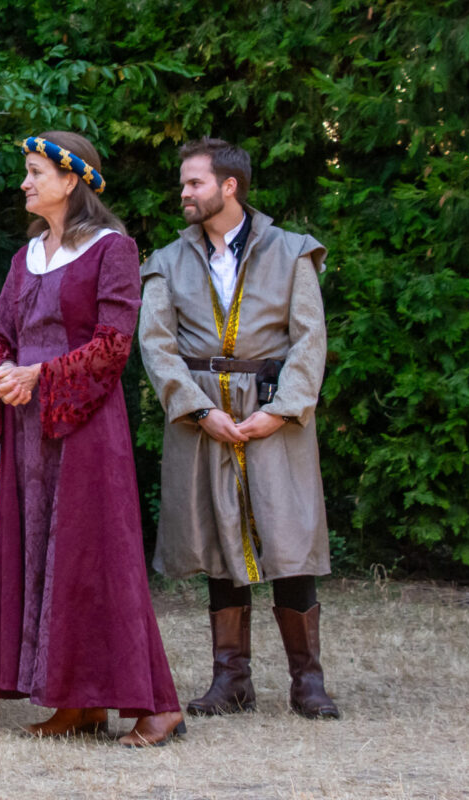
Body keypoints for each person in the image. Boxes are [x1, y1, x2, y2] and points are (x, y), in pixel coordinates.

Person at [0, 132, 184, 747]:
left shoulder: (112, 249)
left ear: (71, 180)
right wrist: (6, 372)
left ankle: (157, 705)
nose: (25, 182)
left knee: (101, 560)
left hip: (87, 427)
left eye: (35, 172)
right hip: (30, 431)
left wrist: (40, 375)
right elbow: (2, 333)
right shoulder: (25, 258)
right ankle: (76, 703)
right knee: (48, 562)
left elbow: (113, 345)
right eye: (26, 171)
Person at [138, 137, 340, 720]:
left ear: (230, 186)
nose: (185, 193)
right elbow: (156, 345)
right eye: (184, 183)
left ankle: (308, 682)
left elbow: (310, 338)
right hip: (202, 415)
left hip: (275, 412)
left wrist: (282, 410)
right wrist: (199, 410)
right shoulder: (167, 260)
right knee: (217, 540)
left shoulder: (292, 251)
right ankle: (232, 681)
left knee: (290, 536)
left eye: (195, 183)